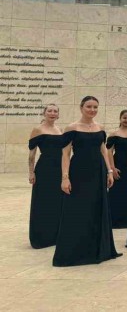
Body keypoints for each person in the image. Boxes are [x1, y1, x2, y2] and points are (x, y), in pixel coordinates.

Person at [53, 96, 121, 266]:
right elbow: (66, 154)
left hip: (98, 173)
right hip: (79, 172)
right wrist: (65, 178)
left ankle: (97, 249)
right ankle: (76, 251)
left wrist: (109, 171)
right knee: (77, 210)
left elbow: (104, 151)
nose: (92, 110)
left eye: (95, 107)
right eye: (89, 106)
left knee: (96, 208)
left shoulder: (100, 128)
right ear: (81, 107)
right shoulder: (72, 128)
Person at [28, 104, 66, 249]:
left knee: (57, 201)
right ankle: (41, 237)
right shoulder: (38, 130)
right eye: (49, 111)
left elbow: (64, 153)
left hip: (59, 169)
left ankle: (55, 235)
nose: (52, 113)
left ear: (58, 114)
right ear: (44, 113)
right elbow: (31, 155)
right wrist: (31, 172)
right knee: (43, 201)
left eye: (55, 111)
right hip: (44, 169)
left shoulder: (60, 130)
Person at [106, 109, 127, 229]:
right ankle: (116, 221)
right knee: (117, 193)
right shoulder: (114, 134)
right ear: (120, 119)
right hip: (118, 165)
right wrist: (112, 168)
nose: (126, 120)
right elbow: (109, 151)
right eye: (124, 118)